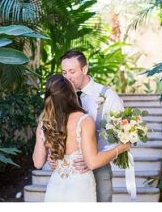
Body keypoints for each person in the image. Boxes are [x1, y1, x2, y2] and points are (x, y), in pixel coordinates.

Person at [33, 74, 130, 202]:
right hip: (80, 186)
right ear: (70, 93)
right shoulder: (84, 120)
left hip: (55, 186)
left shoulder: (44, 123)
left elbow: (38, 163)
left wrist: (53, 154)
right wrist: (122, 148)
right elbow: (93, 162)